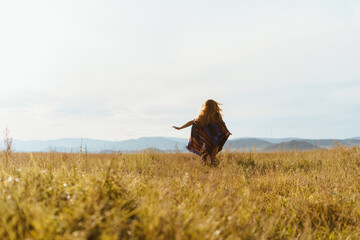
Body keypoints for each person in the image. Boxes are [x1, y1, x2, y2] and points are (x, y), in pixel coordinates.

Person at [173, 99, 231, 166]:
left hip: (211, 138)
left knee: (207, 154)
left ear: (205, 106)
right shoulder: (209, 116)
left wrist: (180, 128)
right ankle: (211, 167)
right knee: (212, 154)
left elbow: (192, 122)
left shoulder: (209, 116)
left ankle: (210, 167)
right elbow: (222, 126)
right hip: (216, 138)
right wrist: (225, 132)